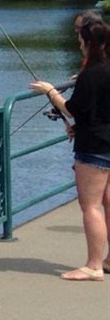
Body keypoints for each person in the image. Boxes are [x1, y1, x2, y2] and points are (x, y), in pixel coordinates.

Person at [29, 19, 110, 280]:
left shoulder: (91, 74)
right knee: (108, 201)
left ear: (89, 43)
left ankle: (94, 265)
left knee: (91, 206)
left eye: (81, 40)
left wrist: (51, 91)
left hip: (94, 147)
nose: (79, 45)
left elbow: (72, 108)